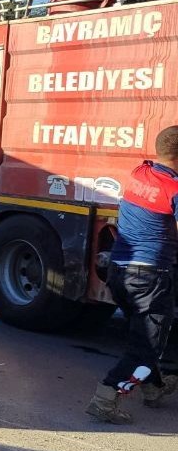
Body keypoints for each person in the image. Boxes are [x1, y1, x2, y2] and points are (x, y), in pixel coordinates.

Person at [85, 126, 178, 424]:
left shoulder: (140, 172)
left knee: (143, 334)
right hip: (149, 277)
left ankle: (153, 390)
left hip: (119, 273)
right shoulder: (174, 189)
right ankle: (105, 397)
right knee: (146, 348)